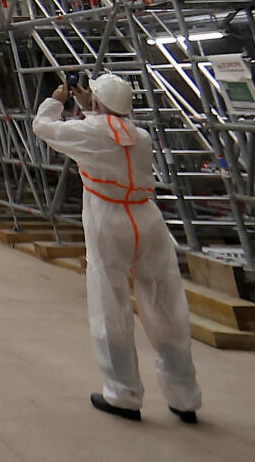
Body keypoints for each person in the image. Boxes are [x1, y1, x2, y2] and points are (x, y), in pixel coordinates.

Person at [32, 72, 201, 423]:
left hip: (108, 219)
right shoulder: (141, 137)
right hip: (148, 220)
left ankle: (123, 393)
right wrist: (89, 105)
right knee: (166, 306)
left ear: (95, 103)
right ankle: (184, 397)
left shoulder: (89, 132)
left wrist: (58, 102)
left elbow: (44, 128)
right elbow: (112, 129)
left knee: (111, 305)